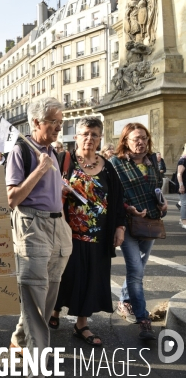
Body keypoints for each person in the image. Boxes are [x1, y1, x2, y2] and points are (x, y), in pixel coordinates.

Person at [6, 98, 73, 369]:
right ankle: (37, 364)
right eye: (54, 121)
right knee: (35, 294)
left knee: (47, 295)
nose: (59, 127)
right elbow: (12, 197)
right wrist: (41, 169)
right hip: (33, 227)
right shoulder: (21, 150)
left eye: (61, 121)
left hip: (58, 227)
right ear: (36, 122)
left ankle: (20, 340)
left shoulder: (51, 152)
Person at [49, 117, 126, 346]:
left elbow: (118, 199)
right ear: (76, 137)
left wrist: (120, 227)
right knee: (62, 276)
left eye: (94, 134)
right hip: (66, 233)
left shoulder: (108, 167)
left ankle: (81, 324)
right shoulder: (64, 159)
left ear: (100, 138)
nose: (89, 139)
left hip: (97, 236)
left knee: (91, 279)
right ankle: (54, 311)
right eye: (84, 134)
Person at [110, 123, 166, 340]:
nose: (140, 142)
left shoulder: (152, 161)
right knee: (135, 272)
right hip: (127, 224)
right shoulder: (116, 163)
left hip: (150, 222)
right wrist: (127, 208)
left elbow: (157, 188)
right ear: (125, 141)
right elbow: (113, 195)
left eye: (143, 137)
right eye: (135, 138)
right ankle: (143, 320)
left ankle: (124, 301)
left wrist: (162, 204)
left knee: (138, 269)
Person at [178, 144, 186, 229]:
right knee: (185, 203)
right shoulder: (183, 160)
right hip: (184, 185)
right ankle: (183, 220)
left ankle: (179, 203)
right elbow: (179, 174)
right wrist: (181, 185)